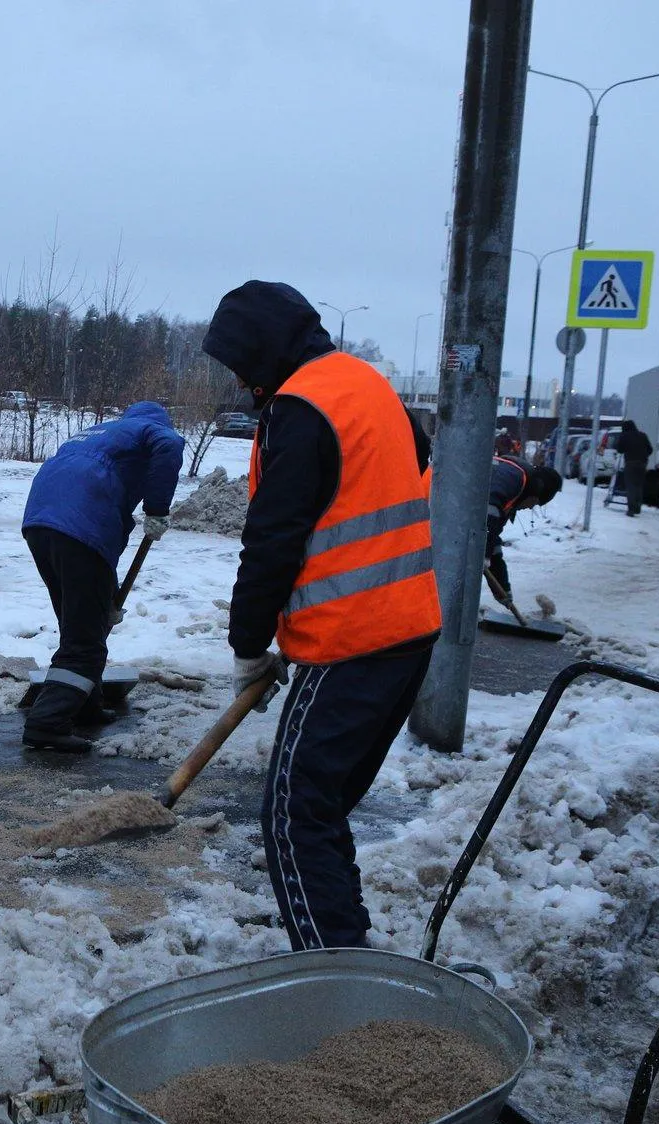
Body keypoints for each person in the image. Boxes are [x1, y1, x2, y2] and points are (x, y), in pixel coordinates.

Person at [202, 280, 439, 951]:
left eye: (241, 363)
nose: (241, 378)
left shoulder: (300, 407)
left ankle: (335, 981)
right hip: (409, 631)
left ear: (263, 350)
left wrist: (249, 644)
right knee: (321, 807)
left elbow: (272, 540)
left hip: (350, 643)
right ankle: (346, 954)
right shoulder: (369, 386)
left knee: (293, 814)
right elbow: (409, 470)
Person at [19, 401, 184, 752]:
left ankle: (85, 706)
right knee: (85, 643)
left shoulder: (105, 433)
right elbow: (170, 446)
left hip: (39, 520)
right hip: (81, 524)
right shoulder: (152, 431)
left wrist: (106, 594)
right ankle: (47, 723)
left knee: (79, 623)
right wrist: (157, 509)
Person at [485, 454, 563, 607]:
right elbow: (488, 513)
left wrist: (502, 590)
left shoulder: (513, 485)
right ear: (535, 493)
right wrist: (483, 553)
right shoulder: (513, 479)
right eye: (536, 503)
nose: (531, 507)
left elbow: (492, 541)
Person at [614, 419, 653, 516]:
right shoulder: (643, 435)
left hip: (630, 463)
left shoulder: (624, 436)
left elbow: (619, 449)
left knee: (630, 486)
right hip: (642, 463)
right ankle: (637, 507)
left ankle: (631, 509)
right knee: (639, 486)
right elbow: (650, 449)